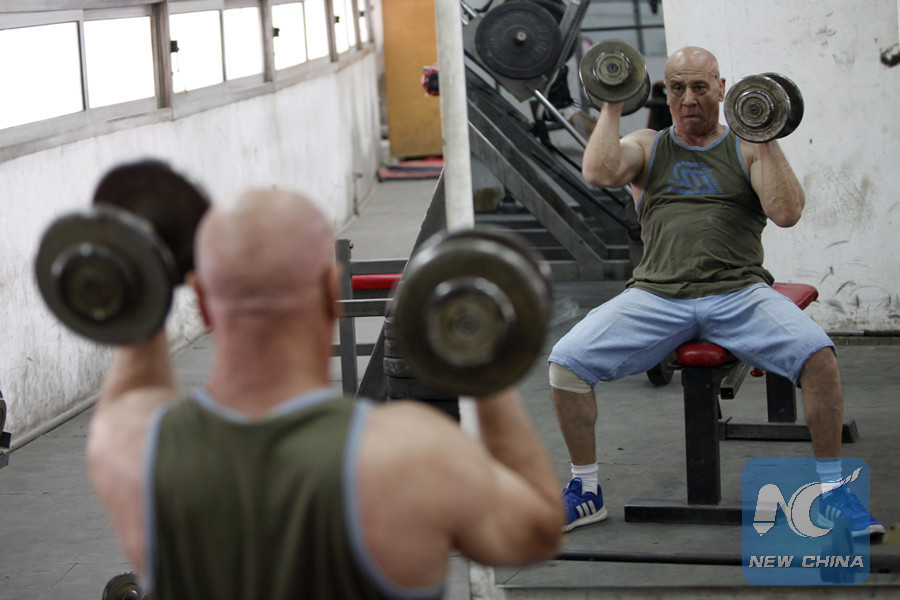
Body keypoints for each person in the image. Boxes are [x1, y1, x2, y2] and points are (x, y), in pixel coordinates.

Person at [86, 188, 563, 599]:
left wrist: (141, 279)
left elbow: (135, 384)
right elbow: (539, 530)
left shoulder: (132, 449)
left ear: (203, 303)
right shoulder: (412, 456)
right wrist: (481, 355)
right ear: (331, 291)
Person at [548, 46, 884, 537]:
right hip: (656, 296)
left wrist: (765, 132)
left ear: (722, 90)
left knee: (819, 358)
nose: (688, 99)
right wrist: (613, 101)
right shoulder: (648, 145)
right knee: (566, 363)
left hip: (738, 293)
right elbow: (599, 172)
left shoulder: (745, 149)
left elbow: (787, 212)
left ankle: (833, 493)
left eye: (700, 87)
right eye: (677, 88)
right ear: (665, 92)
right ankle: (587, 491)